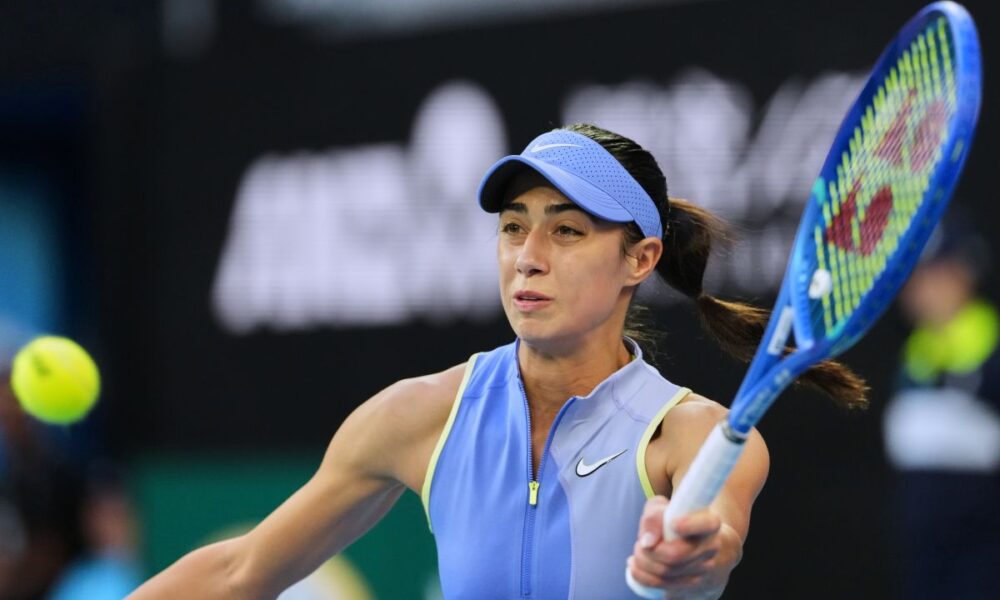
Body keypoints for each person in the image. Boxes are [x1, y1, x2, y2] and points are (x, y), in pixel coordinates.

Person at [129, 124, 866, 599]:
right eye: (513, 228)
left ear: (639, 258)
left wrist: (693, 555)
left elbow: (716, 544)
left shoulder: (692, 438)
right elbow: (239, 570)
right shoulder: (417, 416)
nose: (528, 259)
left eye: (567, 231)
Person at [883, 214, 1000, 599]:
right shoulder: (914, 352)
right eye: (914, 276)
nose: (921, 289)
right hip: (926, 547)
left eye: (936, 274)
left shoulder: (991, 344)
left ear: (966, 271)